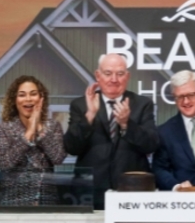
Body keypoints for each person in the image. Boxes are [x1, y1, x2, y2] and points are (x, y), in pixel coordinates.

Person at [64, 53, 159, 209]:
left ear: (127, 76)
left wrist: (126, 124)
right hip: (90, 192)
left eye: (120, 74)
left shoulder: (142, 104)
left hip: (132, 191)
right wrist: (89, 116)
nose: (114, 79)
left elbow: (151, 145)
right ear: (98, 75)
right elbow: (71, 147)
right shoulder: (81, 105)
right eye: (108, 73)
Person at [0, 75, 66, 206]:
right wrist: (29, 132)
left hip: (46, 202)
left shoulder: (53, 126)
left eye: (33, 94)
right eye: (22, 95)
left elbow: (58, 158)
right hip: (13, 202)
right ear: (14, 100)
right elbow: (5, 163)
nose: (28, 99)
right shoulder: (2, 128)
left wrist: (39, 128)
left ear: (41, 98)